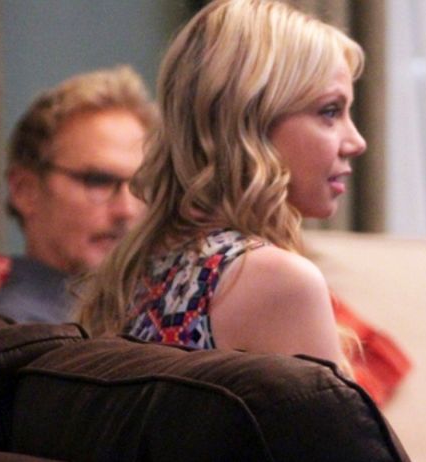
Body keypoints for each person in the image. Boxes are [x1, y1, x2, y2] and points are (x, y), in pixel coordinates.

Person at [76, 0, 366, 370]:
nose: (356, 142)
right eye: (330, 111)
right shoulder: (277, 279)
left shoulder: (136, 268)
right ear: (250, 123)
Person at [0, 66, 155, 323]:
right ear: (25, 190)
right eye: (97, 181)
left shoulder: (155, 311)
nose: (127, 210)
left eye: (141, 186)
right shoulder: (11, 327)